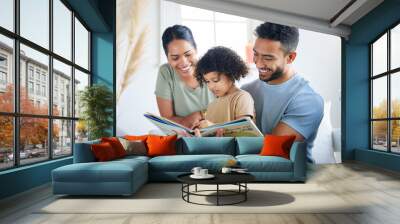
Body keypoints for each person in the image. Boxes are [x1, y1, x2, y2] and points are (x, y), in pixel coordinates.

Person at [242, 22, 324, 162]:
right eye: (256, 54)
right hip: (248, 170)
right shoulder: (246, 91)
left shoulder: (308, 100)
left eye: (268, 58)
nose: (259, 63)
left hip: (290, 178)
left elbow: (273, 151)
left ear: (290, 57)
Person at [155, 25, 215, 129]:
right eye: (175, 58)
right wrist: (185, 121)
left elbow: (230, 107)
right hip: (185, 137)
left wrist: (200, 114)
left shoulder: (213, 67)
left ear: (196, 50)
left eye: (188, 55)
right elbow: (167, 119)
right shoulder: (166, 72)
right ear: (167, 57)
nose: (183, 62)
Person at [193, 46, 255, 136]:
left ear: (230, 73)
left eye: (215, 80)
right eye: (207, 81)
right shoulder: (211, 105)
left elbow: (246, 133)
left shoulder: (242, 97)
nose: (211, 86)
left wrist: (213, 127)